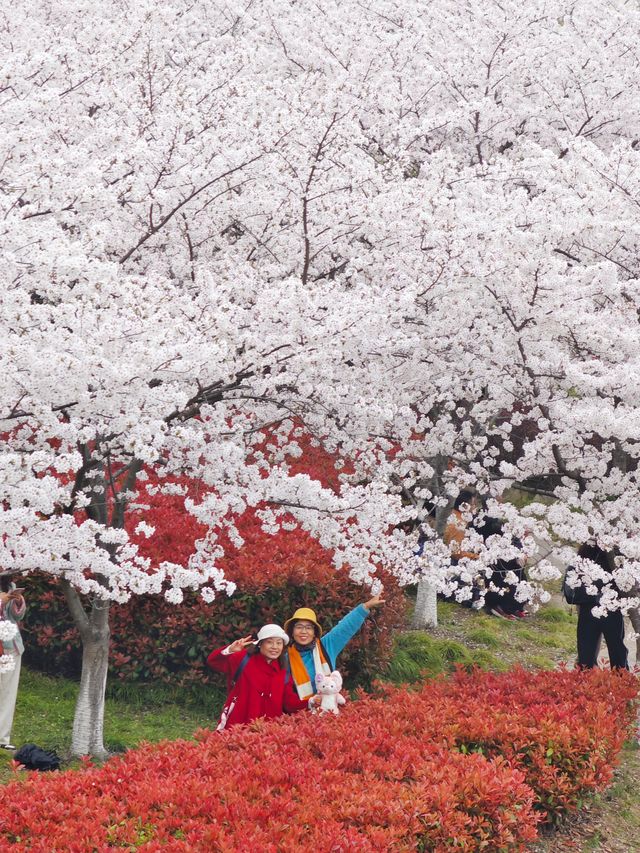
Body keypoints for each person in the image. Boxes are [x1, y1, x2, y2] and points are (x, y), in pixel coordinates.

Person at [282, 593, 385, 701]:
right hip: (299, 714)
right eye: (299, 627)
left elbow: (345, 627)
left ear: (314, 632)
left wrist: (366, 606)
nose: (304, 631)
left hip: (328, 709)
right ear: (292, 632)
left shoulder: (325, 646)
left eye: (308, 627)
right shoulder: (285, 659)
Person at [207, 623, 308, 731]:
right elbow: (213, 662)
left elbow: (289, 704)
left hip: (267, 734)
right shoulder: (243, 659)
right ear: (260, 644)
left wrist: (311, 702)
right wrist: (230, 650)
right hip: (237, 727)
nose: (275, 647)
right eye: (269, 642)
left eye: (279, 643)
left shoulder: (283, 672)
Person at [573, 543, 629, 670]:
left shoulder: (586, 548)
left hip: (588, 603)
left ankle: (586, 678)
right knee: (616, 648)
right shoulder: (617, 551)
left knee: (586, 650)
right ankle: (621, 680)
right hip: (611, 603)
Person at [0, 576, 26, 751]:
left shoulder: (9, 585)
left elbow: (16, 616)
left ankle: (2, 737)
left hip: (10, 645)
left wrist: (18, 602)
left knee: (7, 691)